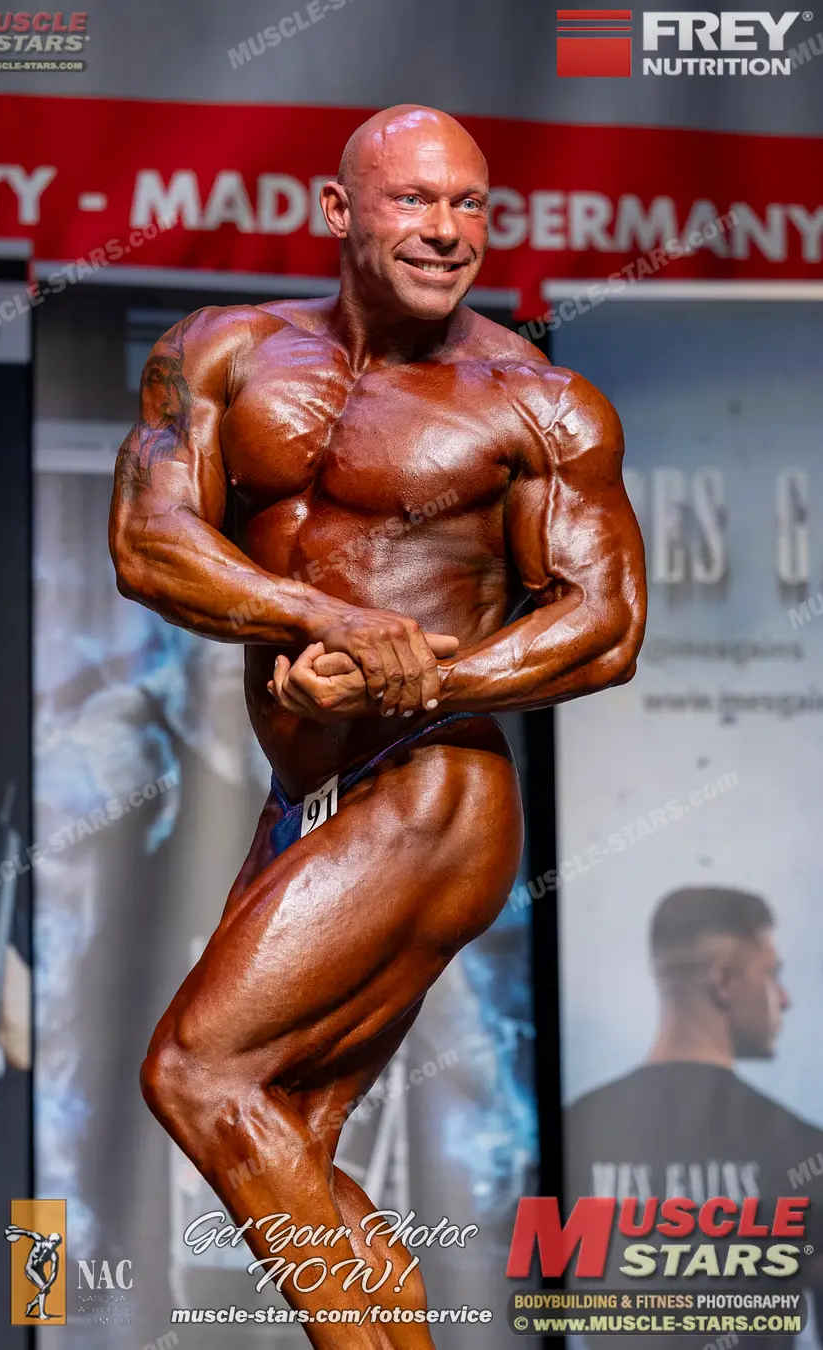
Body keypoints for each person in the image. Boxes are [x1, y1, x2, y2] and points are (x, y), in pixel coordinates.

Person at [110, 103, 646, 1347]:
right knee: (288, 1135)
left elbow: (606, 626)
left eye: (470, 204)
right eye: (416, 200)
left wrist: (415, 683)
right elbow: (148, 542)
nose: (448, 230)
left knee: (198, 1071)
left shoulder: (539, 401)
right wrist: (327, 620)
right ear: (339, 210)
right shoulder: (222, 349)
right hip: (306, 799)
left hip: (435, 789)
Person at [565, 886, 823, 1350]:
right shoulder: (804, 1150)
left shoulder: (571, 1134)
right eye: (771, 974)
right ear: (723, 981)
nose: (784, 999)